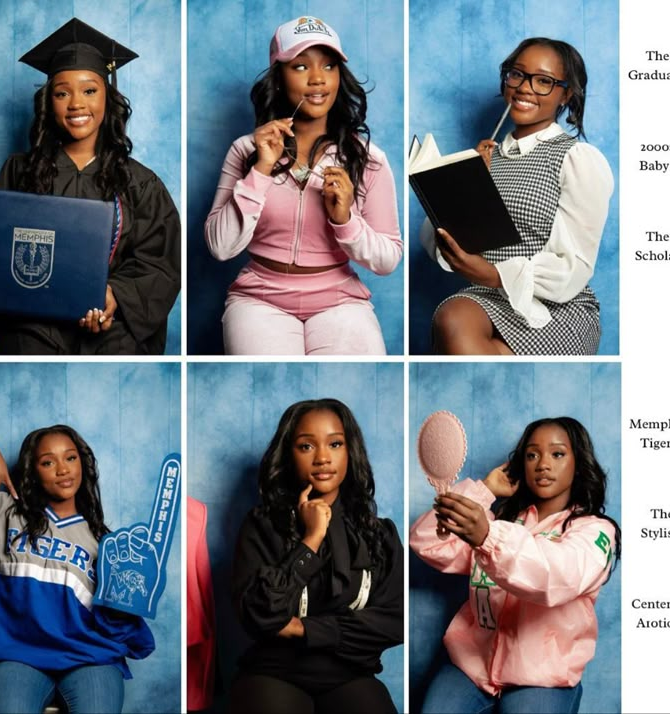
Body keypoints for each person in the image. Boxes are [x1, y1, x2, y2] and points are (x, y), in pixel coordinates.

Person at [0, 18, 180, 355]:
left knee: (116, 349)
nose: (76, 103)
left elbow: (159, 263)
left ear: (108, 97)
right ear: (49, 102)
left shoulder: (140, 183)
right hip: (33, 323)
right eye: (62, 93)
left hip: (108, 324)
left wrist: (114, 296)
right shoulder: (19, 170)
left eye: (90, 90)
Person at [205, 16, 402, 355]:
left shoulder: (369, 160)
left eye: (329, 66)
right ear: (278, 78)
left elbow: (387, 260)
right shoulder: (245, 150)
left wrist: (345, 221)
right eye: (300, 66)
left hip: (340, 301)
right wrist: (261, 170)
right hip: (259, 299)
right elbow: (220, 247)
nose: (317, 79)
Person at [410, 417, 620, 713]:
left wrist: (486, 536)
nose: (543, 464)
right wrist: (485, 490)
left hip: (543, 677)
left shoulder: (596, 532)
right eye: (532, 454)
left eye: (557, 454)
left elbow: (557, 576)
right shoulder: (502, 522)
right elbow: (426, 541)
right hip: (471, 665)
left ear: (579, 463)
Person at [421, 38, 613, 355]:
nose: (525, 88)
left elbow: (574, 264)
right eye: (517, 74)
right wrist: (466, 183)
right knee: (451, 317)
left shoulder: (577, 158)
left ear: (565, 94)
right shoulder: (481, 158)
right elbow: (435, 239)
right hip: (488, 298)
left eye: (543, 81)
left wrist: (496, 274)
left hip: (559, 306)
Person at [0, 426, 154, 713]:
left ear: (83, 465)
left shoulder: (107, 546)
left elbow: (127, 634)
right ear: (32, 470)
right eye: (48, 462)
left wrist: (125, 605)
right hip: (19, 656)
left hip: (90, 659)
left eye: (70, 458)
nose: (62, 469)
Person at [230, 399, 403, 713]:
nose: (323, 458)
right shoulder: (262, 526)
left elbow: (394, 622)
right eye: (306, 446)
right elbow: (259, 616)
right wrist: (310, 541)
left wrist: (303, 629)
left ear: (350, 450)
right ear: (289, 455)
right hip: (275, 672)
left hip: (350, 675)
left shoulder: (380, 535)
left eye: (335, 443)